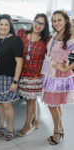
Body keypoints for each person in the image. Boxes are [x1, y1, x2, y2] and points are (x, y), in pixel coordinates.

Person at [0, 14, 23, 141]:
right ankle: (2, 125)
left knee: (7, 105)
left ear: (10, 26)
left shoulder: (15, 40)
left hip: (8, 78)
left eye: (6, 24)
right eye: (1, 24)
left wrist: (15, 81)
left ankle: (11, 128)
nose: (3, 27)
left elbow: (19, 62)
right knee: (0, 104)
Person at [41, 10, 74, 145]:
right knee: (56, 104)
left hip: (58, 77)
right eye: (54, 21)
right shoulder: (55, 34)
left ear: (66, 20)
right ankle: (61, 128)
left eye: (59, 20)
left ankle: (56, 131)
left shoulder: (70, 36)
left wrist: (66, 68)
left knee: (52, 105)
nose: (56, 23)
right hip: (50, 74)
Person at [17, 13, 50, 137]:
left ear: (45, 26)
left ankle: (28, 125)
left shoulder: (46, 40)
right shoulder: (22, 34)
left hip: (36, 75)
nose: (38, 25)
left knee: (31, 100)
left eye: (42, 23)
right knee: (30, 98)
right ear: (33, 21)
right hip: (23, 73)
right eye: (37, 22)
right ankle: (35, 120)